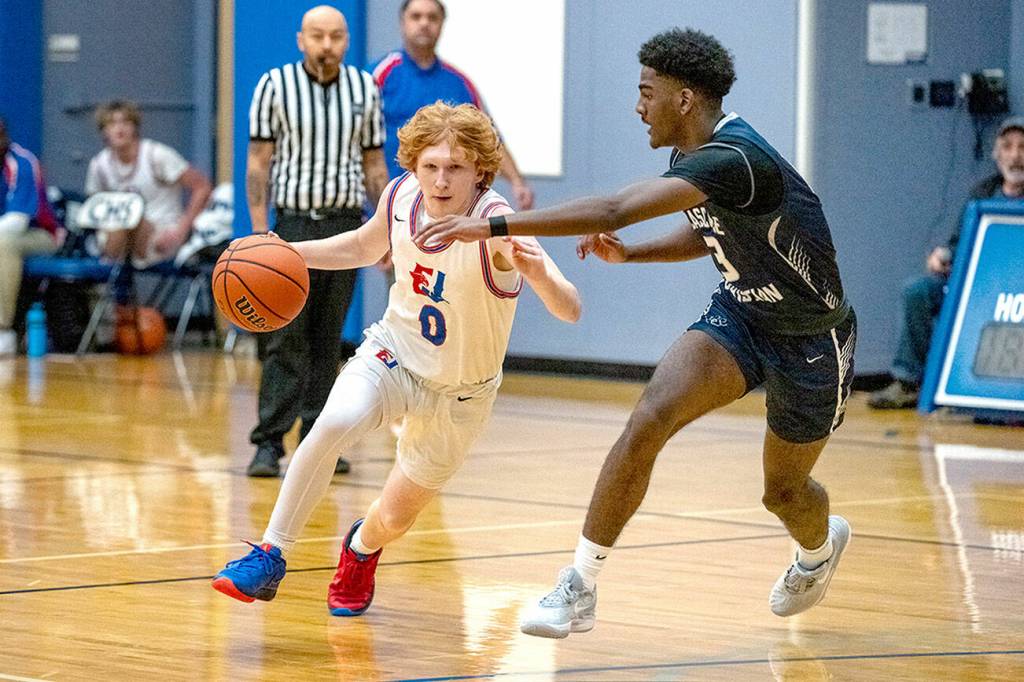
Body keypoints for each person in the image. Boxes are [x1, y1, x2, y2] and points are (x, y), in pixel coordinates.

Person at [416, 28, 857, 638]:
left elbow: (614, 209)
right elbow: (710, 235)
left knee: (783, 494)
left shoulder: (737, 159)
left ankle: (818, 549)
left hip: (811, 340)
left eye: (646, 92)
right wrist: (633, 257)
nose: (637, 105)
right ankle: (579, 585)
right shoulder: (692, 159)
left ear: (684, 99)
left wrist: (487, 227)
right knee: (648, 418)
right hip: (742, 316)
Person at [210, 101, 581, 614]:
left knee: (395, 518)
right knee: (331, 423)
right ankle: (271, 554)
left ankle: (361, 547)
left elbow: (570, 309)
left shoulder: (499, 225)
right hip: (395, 353)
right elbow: (364, 246)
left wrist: (538, 274)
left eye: (455, 168)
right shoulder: (402, 195)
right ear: (413, 167)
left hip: (460, 393)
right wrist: (292, 253)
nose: (441, 180)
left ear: (481, 172)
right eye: (430, 166)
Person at [244, 5, 390, 478]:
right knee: (285, 337)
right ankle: (268, 443)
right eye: (317, 36)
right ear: (301, 40)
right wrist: (259, 231)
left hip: (345, 225)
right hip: (291, 226)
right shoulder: (274, 85)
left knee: (330, 339)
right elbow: (258, 163)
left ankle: (318, 440)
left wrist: (388, 228)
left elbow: (373, 166)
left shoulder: (363, 88)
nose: (327, 44)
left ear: (346, 41)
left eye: (336, 36)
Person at [869, 116, 1024, 409]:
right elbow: (958, 243)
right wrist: (943, 256)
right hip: (974, 286)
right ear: (997, 153)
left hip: (1014, 292)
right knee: (917, 291)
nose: (1016, 156)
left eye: (1023, 147)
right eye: (1008, 147)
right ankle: (908, 382)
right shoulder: (981, 193)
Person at [371, 0, 534, 209]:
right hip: (390, 205)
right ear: (403, 22)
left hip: (447, 207)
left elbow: (488, 138)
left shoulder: (459, 83)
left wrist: (517, 182)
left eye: (432, 17)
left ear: (442, 24)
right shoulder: (378, 76)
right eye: (416, 16)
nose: (424, 23)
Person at [85, 101, 213, 269]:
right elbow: (95, 206)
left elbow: (202, 186)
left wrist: (182, 230)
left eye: (125, 122)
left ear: (135, 127)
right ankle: (112, 287)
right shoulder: (99, 165)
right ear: (104, 131)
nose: (119, 128)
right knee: (115, 227)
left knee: (131, 221)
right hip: (119, 238)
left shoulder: (156, 156)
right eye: (112, 123)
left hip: (162, 233)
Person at [0, 117, 59, 356]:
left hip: (40, 236)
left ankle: (3, 330)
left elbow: (16, 222)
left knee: (4, 243)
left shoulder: (22, 162)